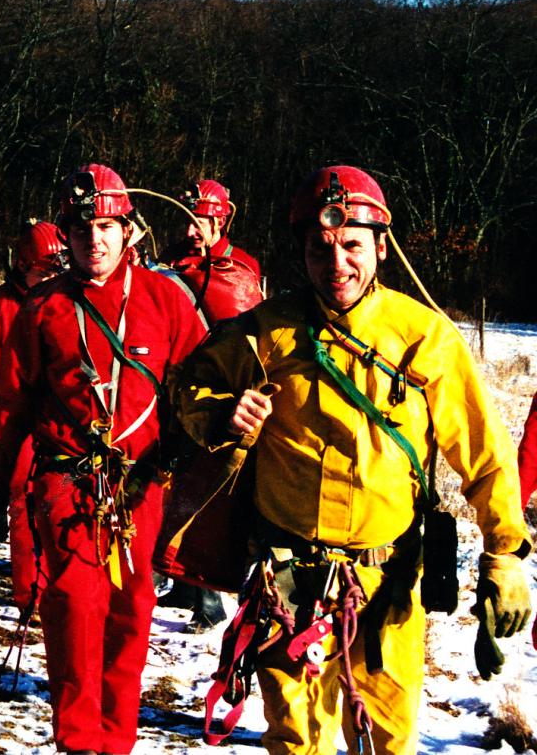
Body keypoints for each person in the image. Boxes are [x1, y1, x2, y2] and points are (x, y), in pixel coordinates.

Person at [169, 165, 531, 754]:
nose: (336, 264)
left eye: (352, 246)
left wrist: (506, 555)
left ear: (381, 248)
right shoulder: (267, 331)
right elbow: (188, 386)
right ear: (302, 252)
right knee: (297, 741)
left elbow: (486, 457)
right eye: (320, 248)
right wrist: (222, 415)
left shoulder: (425, 338)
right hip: (288, 587)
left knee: (387, 741)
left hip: (386, 586)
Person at [0, 164, 207, 755]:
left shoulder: (165, 300)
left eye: (107, 226)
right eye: (83, 229)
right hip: (67, 481)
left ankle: (118, 741)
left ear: (128, 230)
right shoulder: (42, 309)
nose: (96, 240)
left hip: (141, 487)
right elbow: (14, 405)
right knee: (77, 608)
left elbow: (204, 383)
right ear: (68, 235)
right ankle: (78, 742)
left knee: (132, 613)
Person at [157, 179, 264, 630]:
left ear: (220, 219)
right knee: (173, 485)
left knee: (204, 491)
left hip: (214, 396)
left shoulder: (237, 269)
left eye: (199, 220)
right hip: (175, 391)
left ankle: (207, 599)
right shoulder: (175, 259)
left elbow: (241, 328)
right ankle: (179, 583)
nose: (191, 229)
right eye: (187, 219)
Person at [0, 219, 67, 614]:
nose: (49, 277)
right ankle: (31, 596)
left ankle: (61, 587)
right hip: (14, 421)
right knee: (22, 502)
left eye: (55, 271)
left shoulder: (66, 300)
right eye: (43, 271)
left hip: (61, 421)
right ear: (23, 265)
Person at [162, 178, 262, 322]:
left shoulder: (243, 265)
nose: (189, 232)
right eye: (187, 223)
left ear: (220, 222)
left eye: (198, 224)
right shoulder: (171, 256)